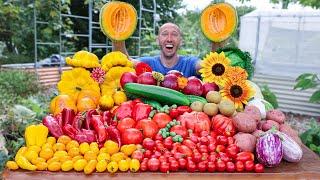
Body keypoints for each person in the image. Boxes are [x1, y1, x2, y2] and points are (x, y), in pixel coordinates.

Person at [112, 22, 224, 77]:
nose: (169, 39)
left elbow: (211, 67)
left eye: (174, 35)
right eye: (165, 34)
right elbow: (124, 62)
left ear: (181, 41)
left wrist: (216, 41)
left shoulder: (190, 63)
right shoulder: (149, 63)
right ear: (157, 40)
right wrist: (118, 38)